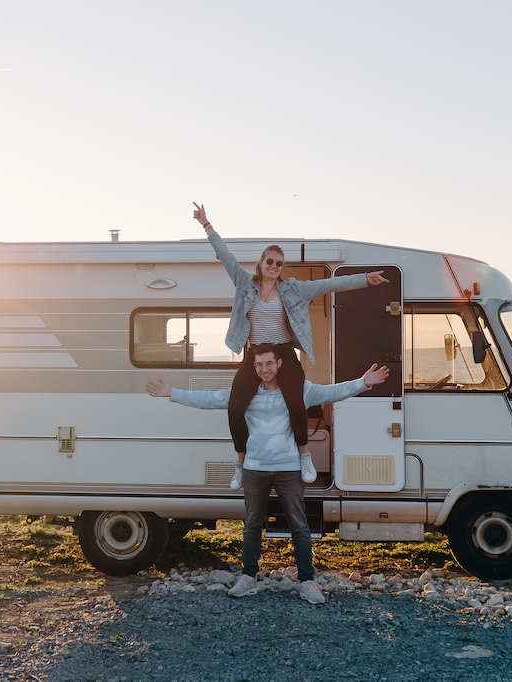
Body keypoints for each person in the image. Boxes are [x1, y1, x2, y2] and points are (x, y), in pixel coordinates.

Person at [146, 343, 389, 604]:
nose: (264, 369)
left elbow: (333, 392)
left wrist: (364, 382)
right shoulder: (245, 393)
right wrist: (173, 393)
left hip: (288, 468)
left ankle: (307, 580)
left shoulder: (298, 391)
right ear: (254, 367)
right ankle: (248, 577)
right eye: (259, 365)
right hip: (254, 468)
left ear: (279, 363)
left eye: (269, 364)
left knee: (299, 525)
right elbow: (210, 399)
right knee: (251, 525)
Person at [193, 202, 388, 490]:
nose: (274, 266)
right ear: (261, 263)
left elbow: (329, 285)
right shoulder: (245, 283)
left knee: (296, 402)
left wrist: (364, 280)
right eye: (269, 261)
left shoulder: (293, 288)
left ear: (282, 268)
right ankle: (240, 463)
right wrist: (206, 225)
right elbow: (225, 256)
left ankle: (304, 456)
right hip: (255, 354)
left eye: (279, 263)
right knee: (235, 406)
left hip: (284, 353)